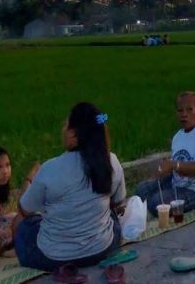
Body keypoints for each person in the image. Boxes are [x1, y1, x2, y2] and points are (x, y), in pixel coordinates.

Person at [15, 103, 126, 272]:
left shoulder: (50, 168)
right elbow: (118, 202)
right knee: (111, 216)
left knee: (25, 228)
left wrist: (30, 178)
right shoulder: (111, 162)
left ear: (74, 134)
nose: (63, 130)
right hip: (103, 249)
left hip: (55, 258)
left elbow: (24, 209)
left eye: (65, 125)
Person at [136, 91, 195, 216]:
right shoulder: (178, 137)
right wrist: (163, 169)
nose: (184, 114)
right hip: (178, 182)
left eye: (189, 109)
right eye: (180, 110)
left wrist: (175, 165)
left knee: (156, 203)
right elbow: (175, 164)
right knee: (141, 190)